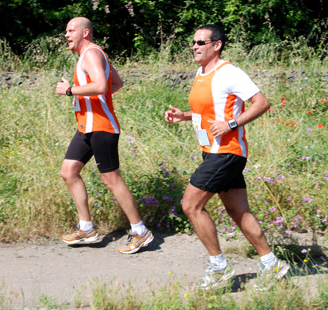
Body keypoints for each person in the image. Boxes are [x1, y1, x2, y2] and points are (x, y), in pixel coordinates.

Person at [165, 23, 289, 290]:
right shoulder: (201, 73)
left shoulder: (229, 73)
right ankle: (272, 263)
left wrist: (232, 124)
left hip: (227, 152)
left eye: (201, 43)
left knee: (190, 205)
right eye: (194, 42)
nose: (194, 47)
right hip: (212, 152)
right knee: (237, 210)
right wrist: (184, 116)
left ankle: (219, 266)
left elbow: (262, 103)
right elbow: (208, 111)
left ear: (216, 45)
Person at [56, 17, 153, 254]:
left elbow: (101, 85)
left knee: (111, 180)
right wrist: (89, 98)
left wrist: (70, 90)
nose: (66, 35)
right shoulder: (89, 55)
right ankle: (87, 228)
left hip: (102, 127)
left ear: (85, 33)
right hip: (86, 127)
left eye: (71, 31)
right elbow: (116, 83)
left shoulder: (90, 54)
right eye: (66, 31)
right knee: (68, 172)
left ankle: (140, 231)